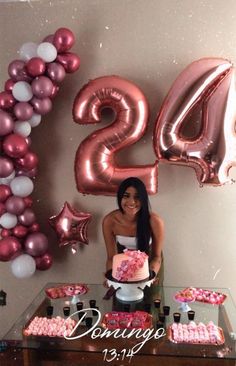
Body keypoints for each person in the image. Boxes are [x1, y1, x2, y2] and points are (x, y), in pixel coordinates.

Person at [102, 177, 164, 286]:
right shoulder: (109, 221)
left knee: (152, 300)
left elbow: (156, 257)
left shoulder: (155, 221)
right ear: (120, 197)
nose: (132, 202)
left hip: (151, 264)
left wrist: (151, 275)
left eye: (137, 197)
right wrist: (111, 276)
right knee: (122, 299)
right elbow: (111, 257)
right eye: (126, 196)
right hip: (123, 267)